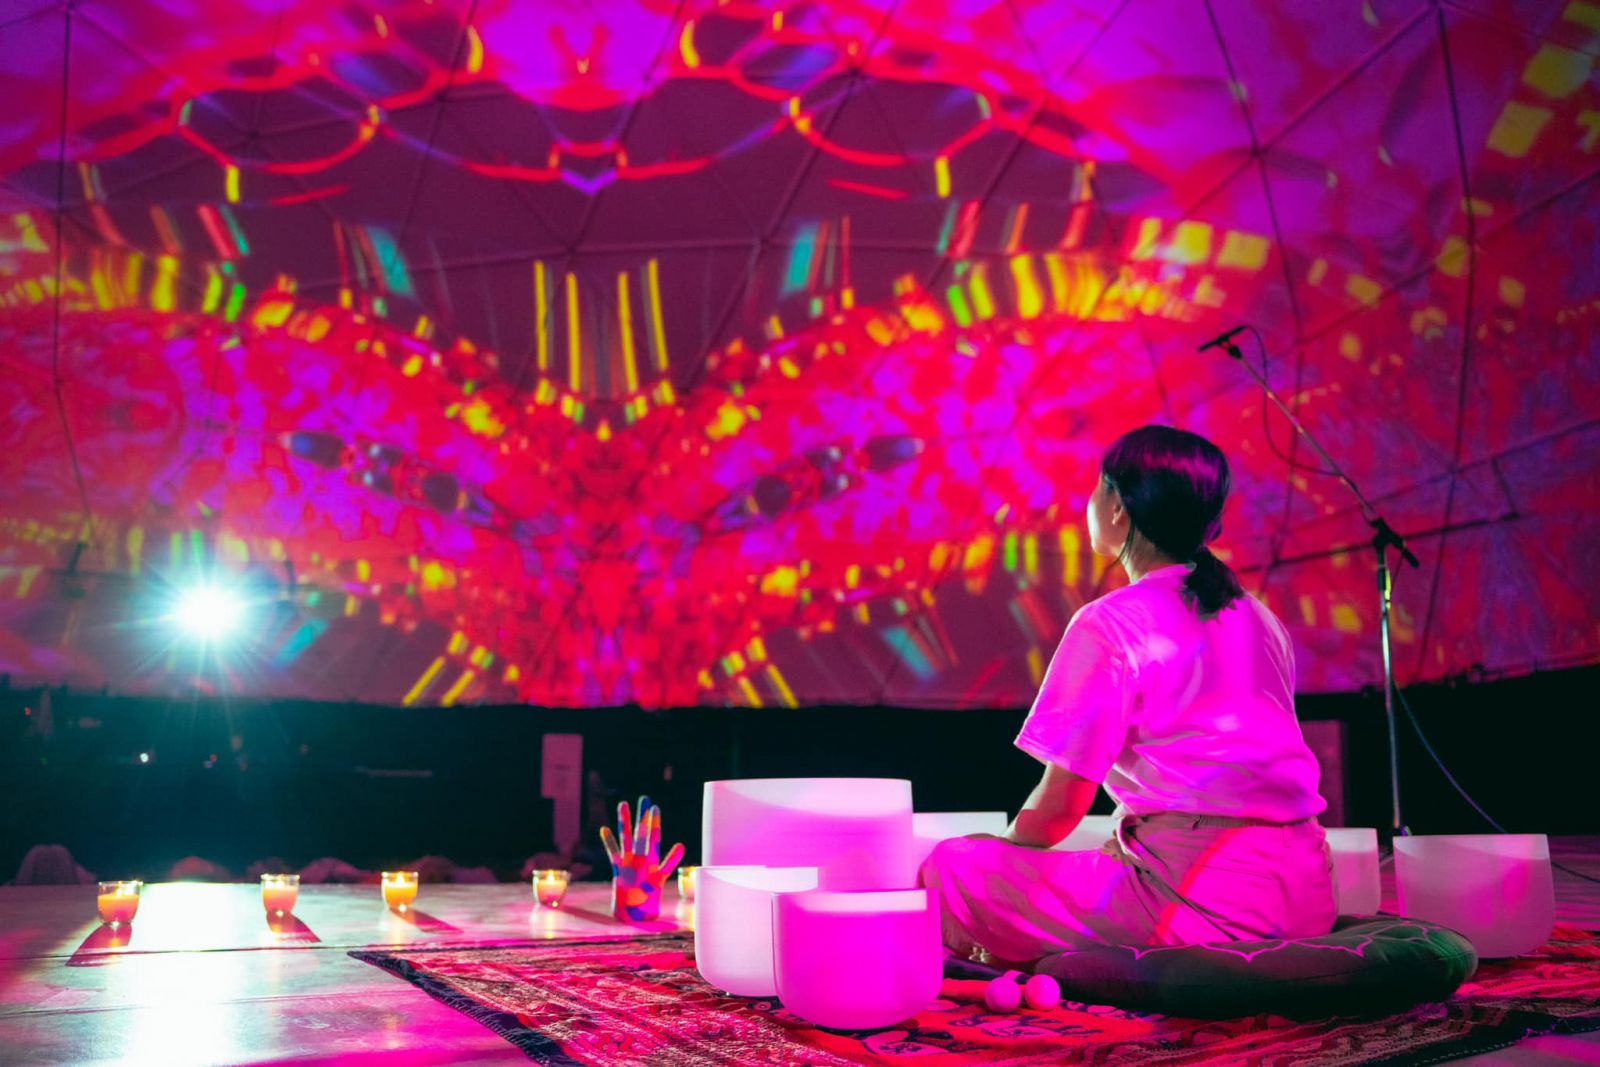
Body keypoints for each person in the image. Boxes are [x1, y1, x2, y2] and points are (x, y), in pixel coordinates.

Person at [920, 425, 1336, 966]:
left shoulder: (1109, 624)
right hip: (1309, 892)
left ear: (1118, 508)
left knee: (955, 866)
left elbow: (1057, 812)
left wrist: (999, 855)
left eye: (1098, 486)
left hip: (1201, 898)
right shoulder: (1258, 616)